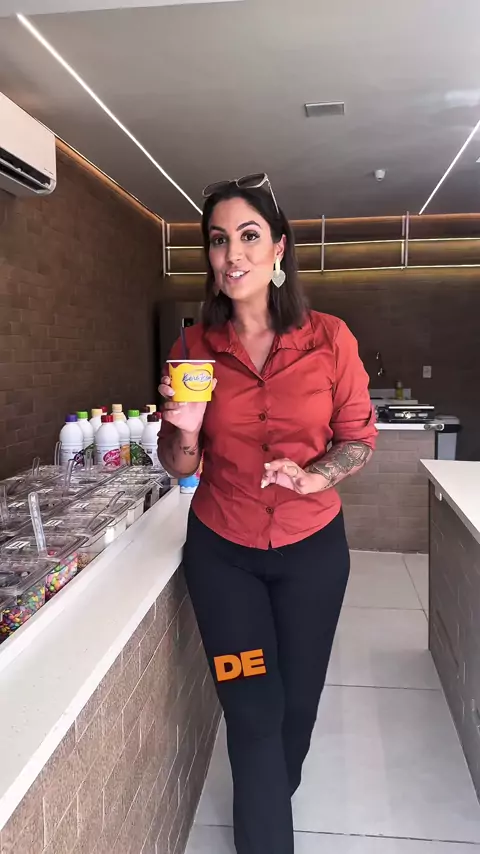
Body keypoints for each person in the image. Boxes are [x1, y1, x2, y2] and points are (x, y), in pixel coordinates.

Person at [158, 174, 377, 854]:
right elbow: (179, 464)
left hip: (313, 555)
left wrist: (316, 476)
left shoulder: (330, 339)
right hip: (225, 557)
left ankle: (269, 795)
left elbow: (358, 438)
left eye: (249, 236)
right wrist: (184, 429)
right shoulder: (194, 347)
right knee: (252, 707)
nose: (233, 254)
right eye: (218, 240)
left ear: (278, 248)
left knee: (296, 710)